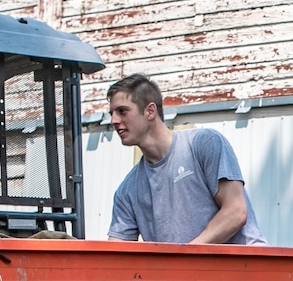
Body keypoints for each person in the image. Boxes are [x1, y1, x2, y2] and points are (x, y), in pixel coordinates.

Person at [105, 74, 265, 245]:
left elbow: (235, 212)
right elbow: (116, 252)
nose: (114, 120)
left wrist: (184, 257)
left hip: (247, 267)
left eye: (122, 111)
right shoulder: (127, 191)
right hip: (187, 270)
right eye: (112, 113)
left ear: (150, 111)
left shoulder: (203, 143)